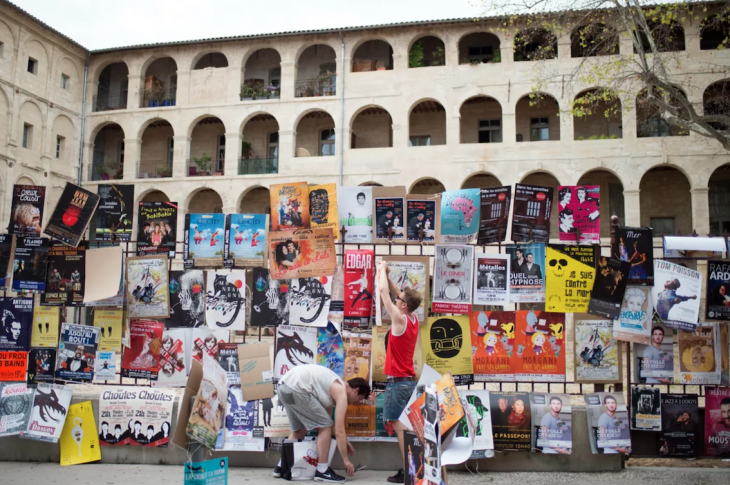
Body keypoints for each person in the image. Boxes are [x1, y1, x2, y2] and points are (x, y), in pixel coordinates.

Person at [272, 364, 371, 482]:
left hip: (284, 387)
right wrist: (346, 460)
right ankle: (322, 470)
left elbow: (330, 424)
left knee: (299, 429)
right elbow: (336, 429)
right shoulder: (341, 392)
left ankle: (282, 466)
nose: (355, 403)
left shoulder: (329, 389)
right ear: (356, 390)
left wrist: (344, 441)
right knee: (325, 426)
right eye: (359, 399)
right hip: (296, 387)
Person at [377, 260, 423, 484]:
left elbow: (384, 291)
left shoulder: (398, 319)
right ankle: (412, 466)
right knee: (405, 425)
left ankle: (410, 469)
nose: (397, 300)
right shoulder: (413, 318)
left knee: (398, 425)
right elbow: (397, 293)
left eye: (399, 301)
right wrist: (388, 274)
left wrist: (380, 268)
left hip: (397, 383)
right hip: (407, 382)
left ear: (403, 306)